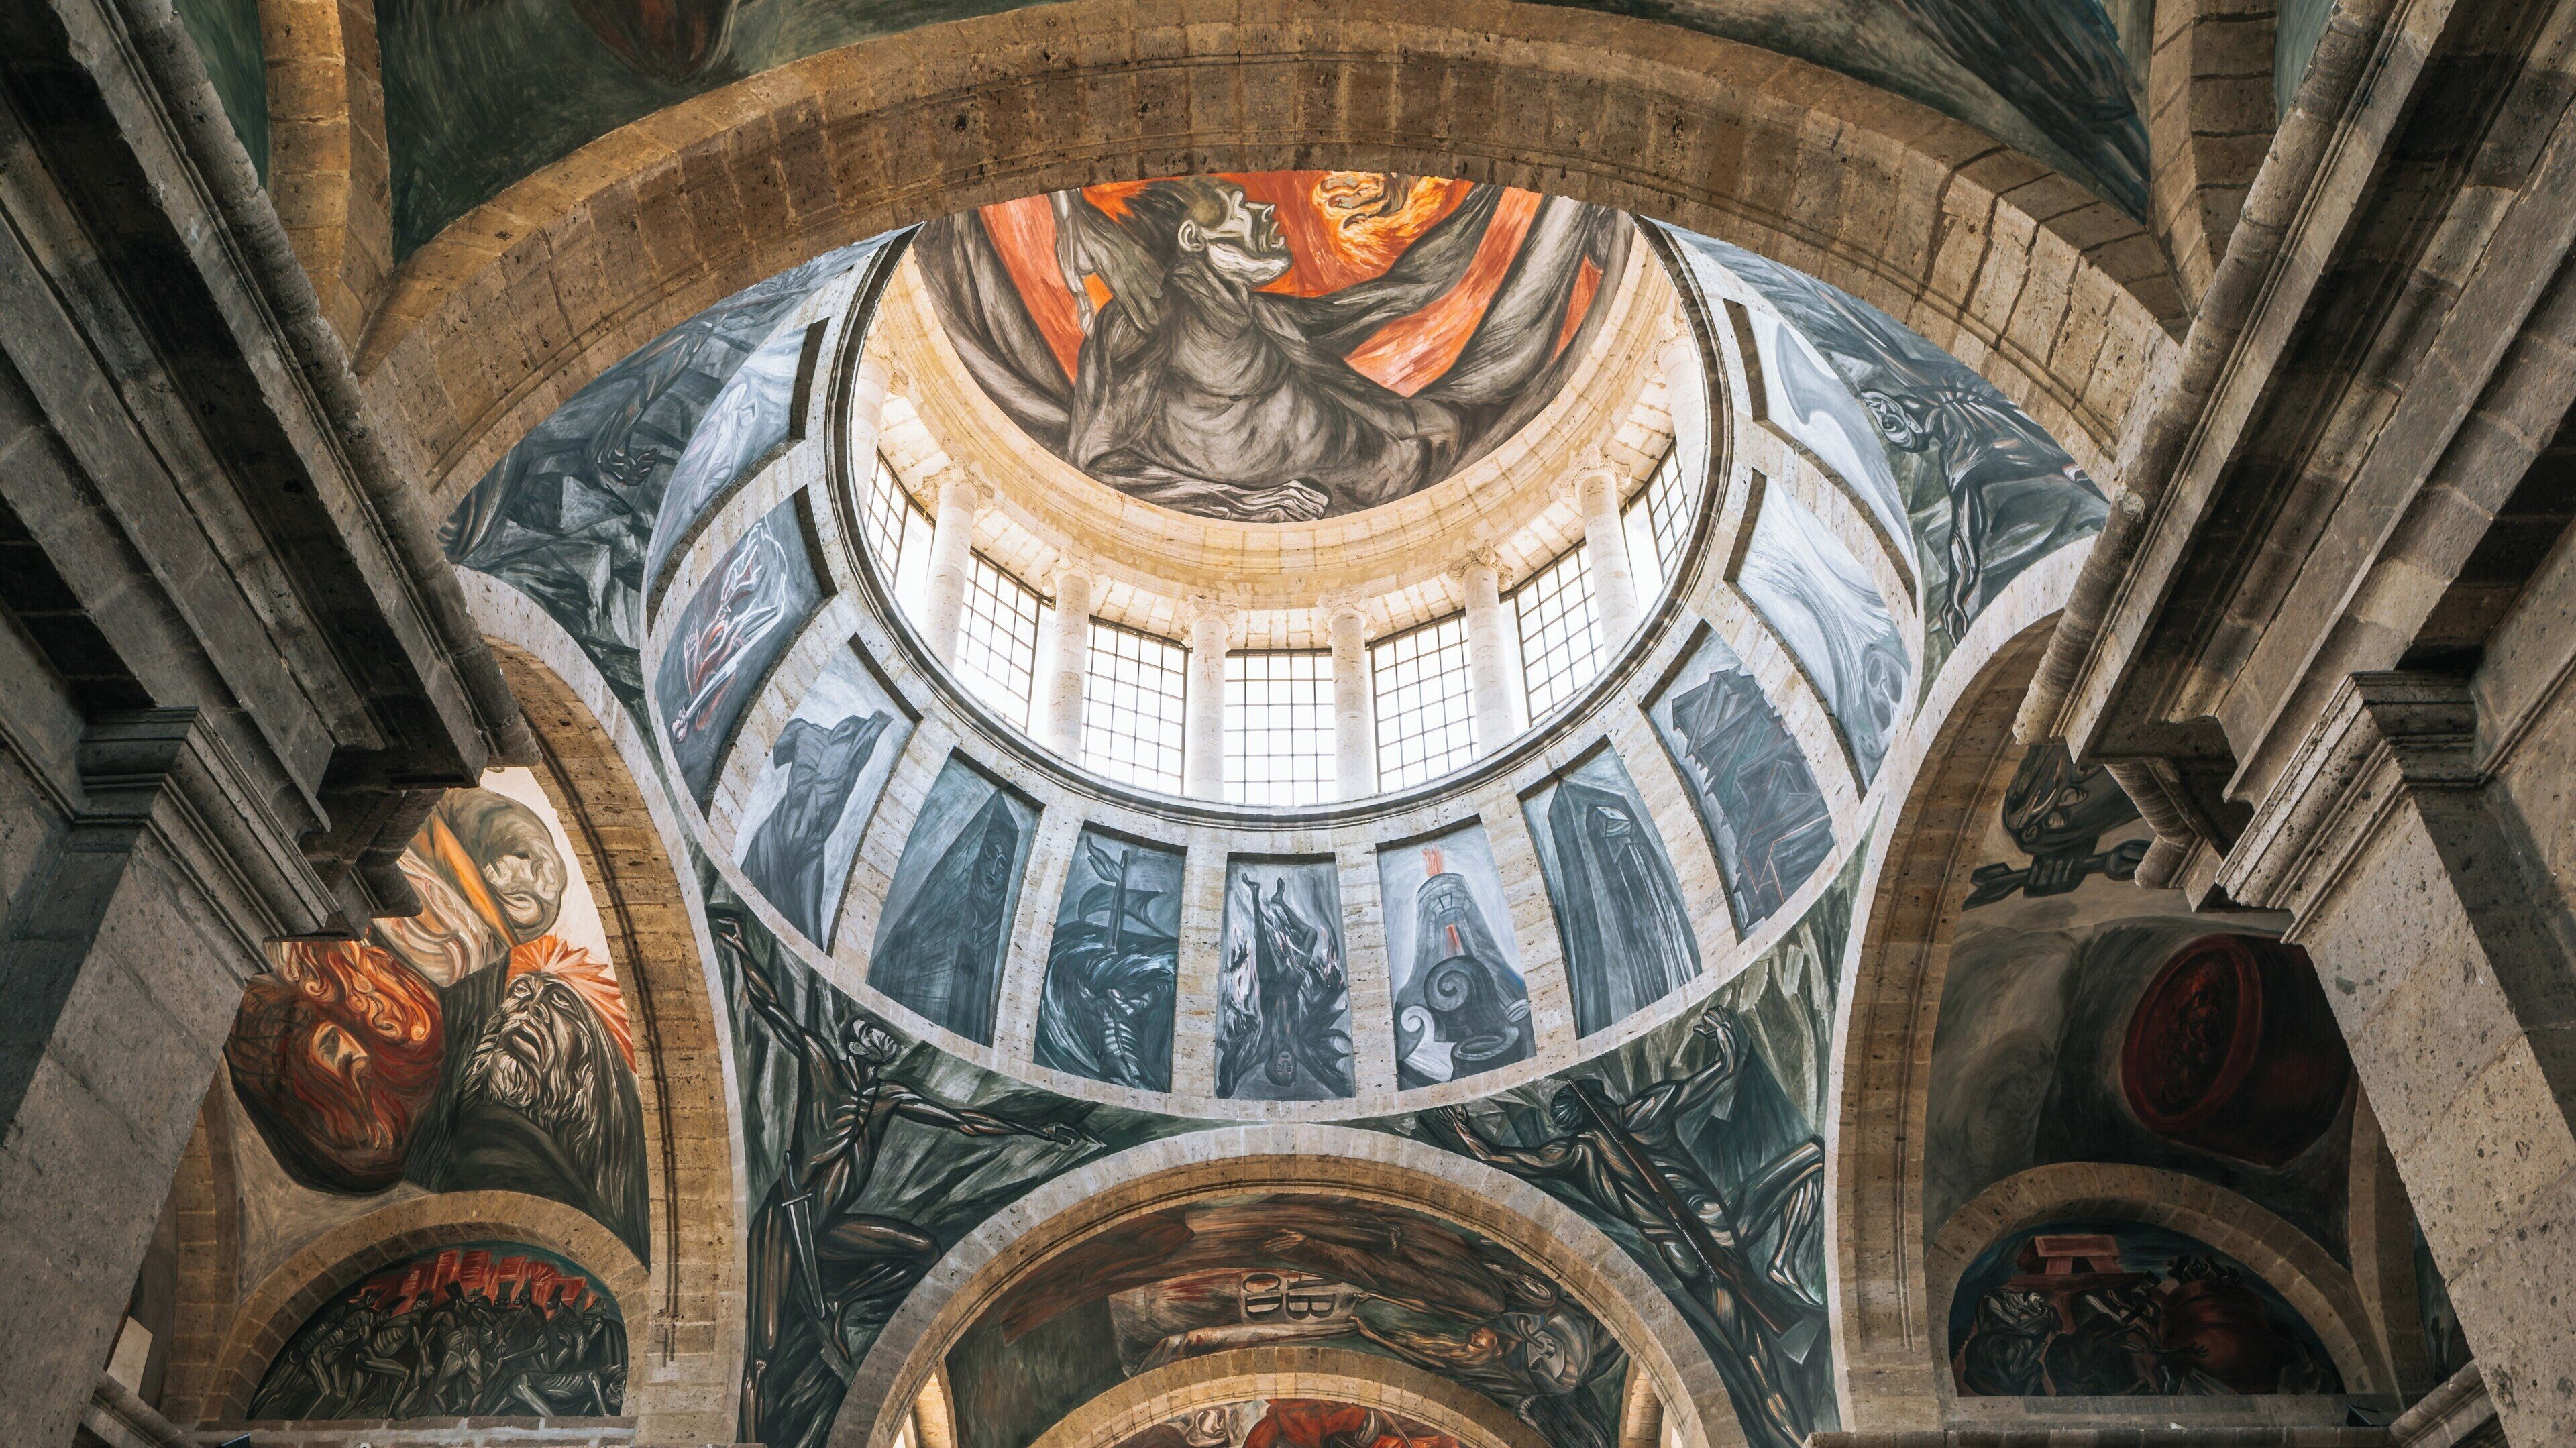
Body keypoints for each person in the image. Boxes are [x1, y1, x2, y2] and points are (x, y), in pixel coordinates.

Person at [723, 916, 1091, 1448]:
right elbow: (772, 1009)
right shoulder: (822, 1063)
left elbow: (964, 1119)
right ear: (853, 1039)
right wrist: (738, 948)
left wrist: (1036, 1128)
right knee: (762, 1351)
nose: (884, 1035)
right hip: (788, 1216)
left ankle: (844, 1302)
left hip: (828, 1228)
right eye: (873, 1030)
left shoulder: (889, 1097)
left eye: (886, 1035)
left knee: (922, 1247)